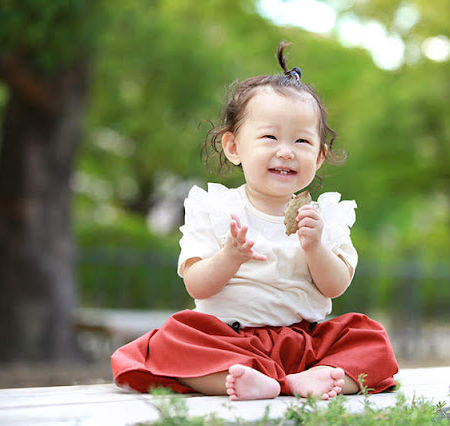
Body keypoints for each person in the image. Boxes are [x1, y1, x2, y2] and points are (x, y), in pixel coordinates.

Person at [111, 41, 399, 401]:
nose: (286, 150)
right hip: (228, 339)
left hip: (306, 342)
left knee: (369, 338)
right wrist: (230, 256)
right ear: (234, 147)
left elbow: (335, 285)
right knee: (170, 341)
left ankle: (306, 378)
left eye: (302, 140)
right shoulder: (216, 209)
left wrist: (315, 247)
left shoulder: (325, 216)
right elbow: (197, 285)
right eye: (269, 137)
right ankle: (266, 380)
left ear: (320, 156)